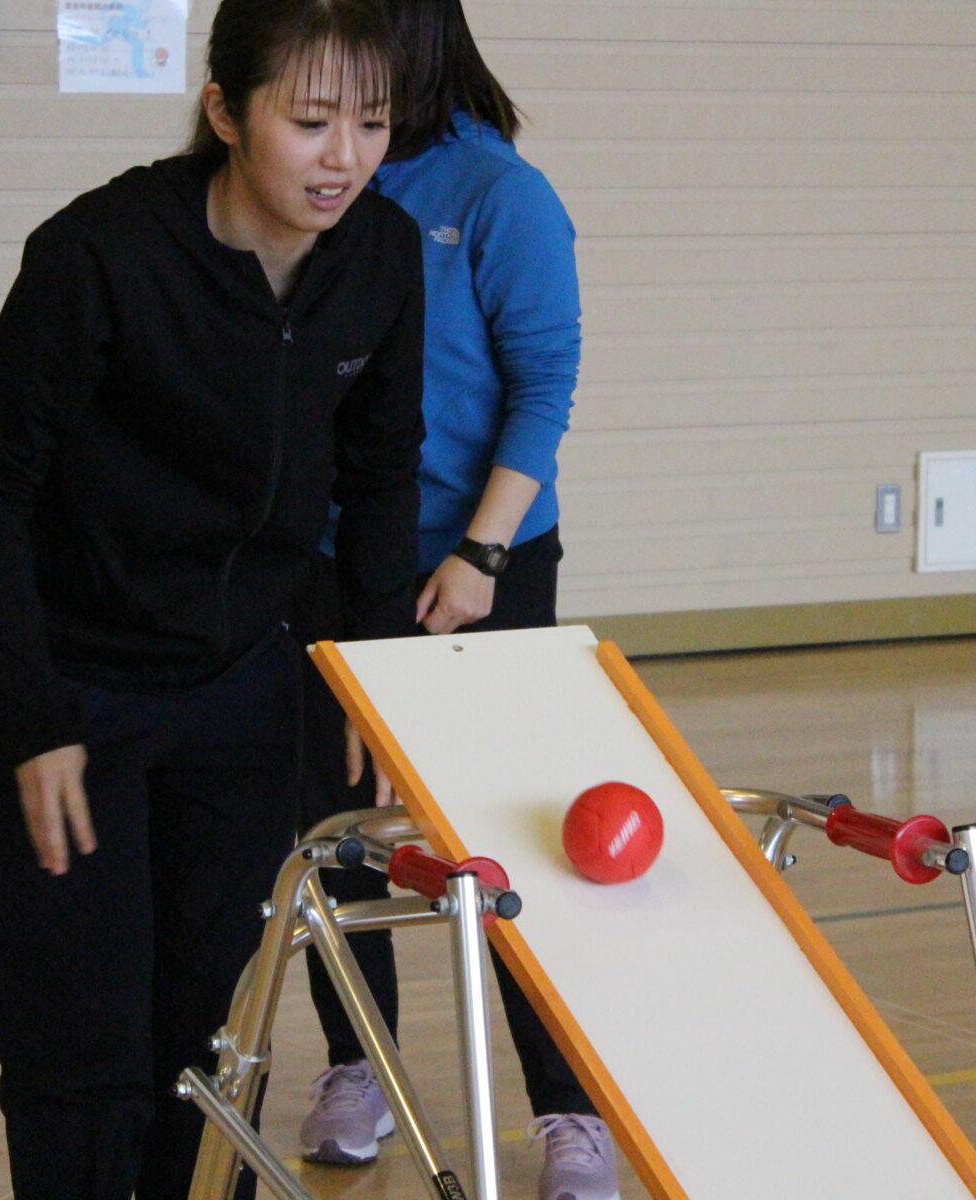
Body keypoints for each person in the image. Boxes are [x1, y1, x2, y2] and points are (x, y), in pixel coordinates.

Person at [0, 0, 423, 1193]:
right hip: (78, 690)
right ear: (225, 112)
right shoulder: (99, 254)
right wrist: (29, 713)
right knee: (79, 1047)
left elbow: (379, 474)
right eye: (311, 121)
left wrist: (375, 678)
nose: (344, 156)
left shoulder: (384, 255)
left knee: (214, 1035)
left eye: (370, 122)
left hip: (244, 691)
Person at [289, 3, 608, 1197]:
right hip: (338, 559)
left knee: (503, 834)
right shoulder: (316, 178)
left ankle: (568, 1110)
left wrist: (479, 553)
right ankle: (354, 1063)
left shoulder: (494, 190)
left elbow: (546, 379)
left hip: (484, 558)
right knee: (336, 830)